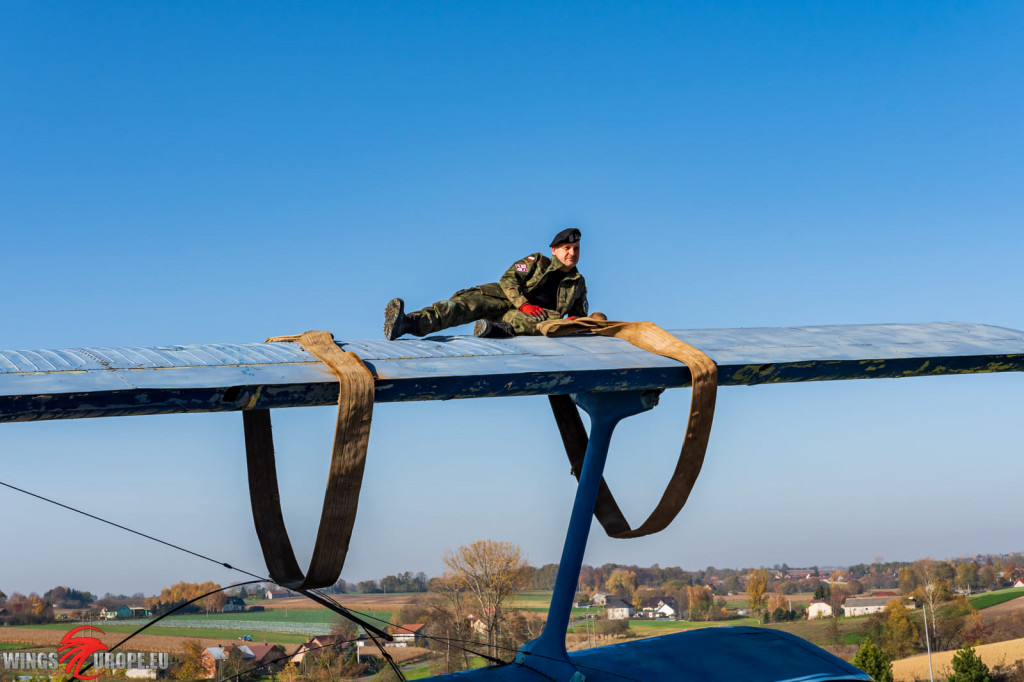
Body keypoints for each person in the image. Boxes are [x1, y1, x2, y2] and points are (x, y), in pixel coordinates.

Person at [383, 228, 588, 339]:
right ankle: (406, 324)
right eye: (567, 248)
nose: (572, 253)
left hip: (527, 320)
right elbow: (508, 279)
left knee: (550, 322)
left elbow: (579, 317)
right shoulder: (536, 262)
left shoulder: (577, 283)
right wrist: (524, 304)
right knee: (459, 306)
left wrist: (573, 324)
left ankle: (495, 330)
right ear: (554, 250)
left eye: (576, 248)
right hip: (502, 297)